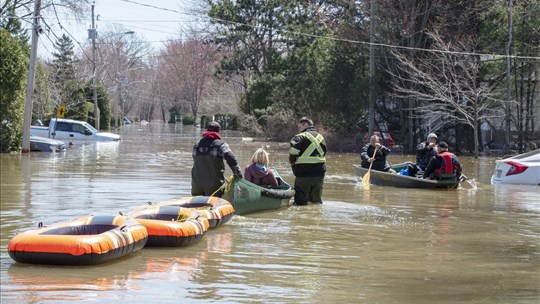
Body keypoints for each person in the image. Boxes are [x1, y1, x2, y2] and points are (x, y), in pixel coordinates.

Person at [191, 121, 242, 197]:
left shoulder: (196, 145)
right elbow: (232, 160)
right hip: (214, 189)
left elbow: (202, 165)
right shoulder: (221, 145)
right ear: (219, 131)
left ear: (207, 130)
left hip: (196, 187)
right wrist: (239, 176)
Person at [289, 117, 327, 205]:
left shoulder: (300, 137)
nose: (299, 130)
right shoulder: (321, 137)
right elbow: (324, 153)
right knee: (316, 203)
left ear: (305, 125)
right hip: (319, 174)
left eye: (300, 127)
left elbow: (293, 153)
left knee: (300, 203)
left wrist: (292, 162)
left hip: (304, 174)